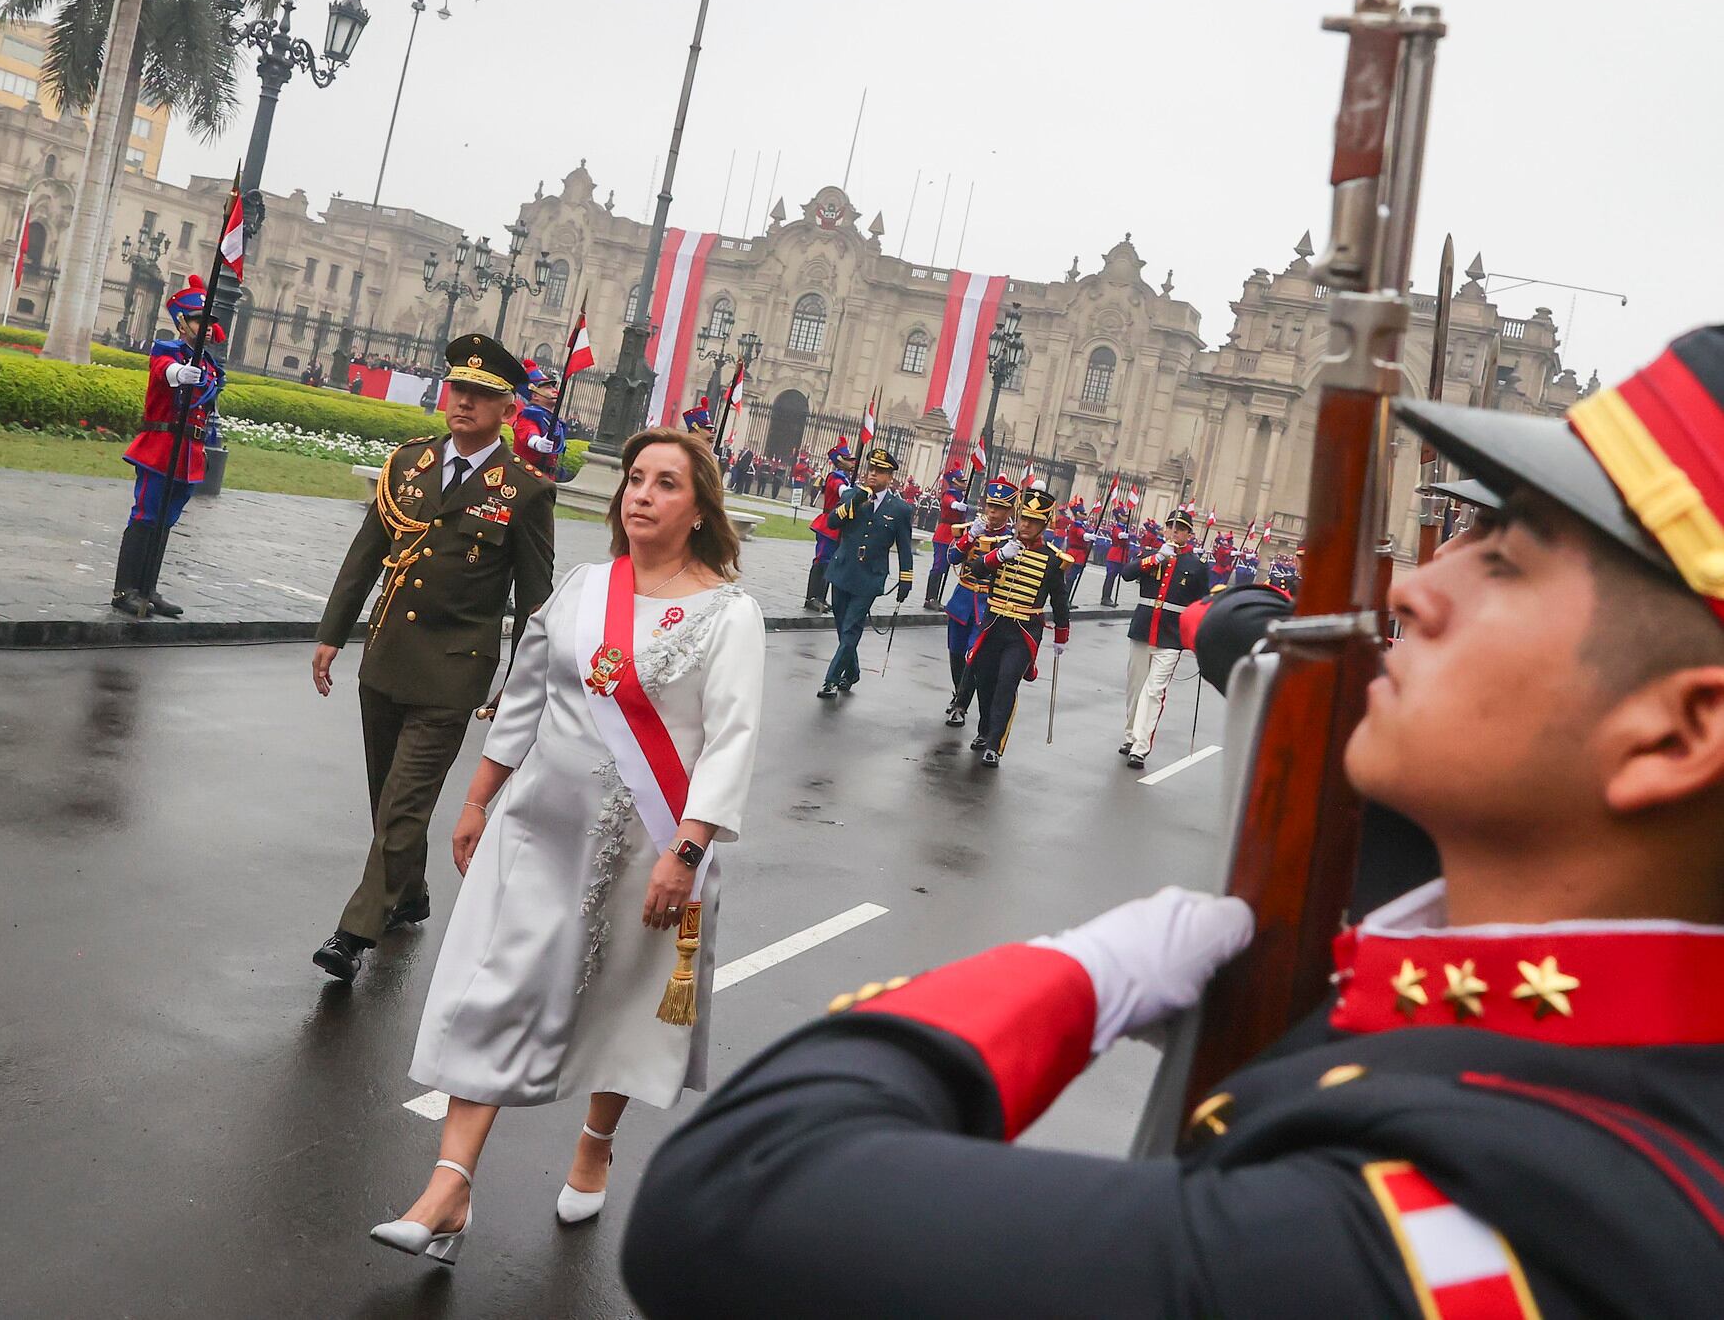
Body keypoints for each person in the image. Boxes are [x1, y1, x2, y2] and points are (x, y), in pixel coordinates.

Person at [624, 323, 1724, 1320]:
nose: (1412, 594)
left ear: (1675, 736)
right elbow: (1263, 640)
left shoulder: (1491, 1237)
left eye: (1506, 561)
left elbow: (734, 1192)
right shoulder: (1498, 932)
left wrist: (1076, 979)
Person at [370, 427, 764, 1266]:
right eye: (634, 478)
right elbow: (523, 697)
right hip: (537, 832)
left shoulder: (731, 615)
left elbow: (731, 739)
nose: (641, 494)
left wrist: (687, 850)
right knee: (492, 990)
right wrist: (478, 797)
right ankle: (449, 1185)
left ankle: (594, 1141)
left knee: (624, 1003)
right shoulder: (587, 589)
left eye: (664, 483)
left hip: (649, 850)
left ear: (699, 511)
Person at [307, 333, 559, 982]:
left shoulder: (523, 492)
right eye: (459, 390)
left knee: (404, 800)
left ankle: (353, 929)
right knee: (384, 794)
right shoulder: (408, 464)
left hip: (453, 670)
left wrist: (516, 683)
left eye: (482, 394)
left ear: (508, 408)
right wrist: (333, 632)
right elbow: (366, 553)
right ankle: (409, 891)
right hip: (386, 656)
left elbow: (536, 604)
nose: (465, 402)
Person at [111, 275, 226, 619]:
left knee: (166, 522)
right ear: (181, 322)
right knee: (145, 516)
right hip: (161, 447)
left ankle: (147, 590)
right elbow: (164, 371)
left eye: (209, 323)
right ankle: (124, 591)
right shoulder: (168, 351)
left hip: (189, 454)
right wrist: (180, 373)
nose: (205, 328)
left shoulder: (208, 364)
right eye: (198, 320)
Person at [960, 485, 1071, 766]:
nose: (1024, 525)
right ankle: (984, 731)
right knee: (984, 680)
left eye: (1032, 522)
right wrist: (1001, 555)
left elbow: (1059, 599)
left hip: (1023, 631)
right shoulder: (1002, 547)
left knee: (1006, 684)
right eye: (1023, 519)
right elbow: (975, 569)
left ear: (1042, 525)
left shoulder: (1052, 559)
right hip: (994, 623)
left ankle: (995, 744)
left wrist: (1061, 634)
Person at [816, 446, 915, 699]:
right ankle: (853, 671)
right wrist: (856, 501)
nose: (873, 475)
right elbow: (832, 523)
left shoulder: (900, 509)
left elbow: (904, 547)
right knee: (841, 624)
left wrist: (906, 579)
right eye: (871, 469)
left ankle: (831, 679)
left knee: (851, 627)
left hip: (870, 576)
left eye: (880, 471)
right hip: (842, 569)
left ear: (890, 476)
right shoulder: (852, 494)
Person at [1121, 506, 1211, 769]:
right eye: (1172, 526)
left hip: (1171, 637)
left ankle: (1140, 747)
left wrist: (1198, 637)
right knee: (1135, 688)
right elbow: (1127, 574)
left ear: (1189, 534)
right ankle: (1130, 736)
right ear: (1164, 529)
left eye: (1181, 529)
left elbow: (1201, 604)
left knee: (1154, 691)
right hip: (1142, 630)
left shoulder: (1196, 565)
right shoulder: (1151, 555)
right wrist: (1156, 559)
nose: (1175, 532)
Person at [941, 477, 1017, 728]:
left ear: (1009, 511)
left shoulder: (1012, 540)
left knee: (973, 656)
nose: (992, 513)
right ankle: (958, 693)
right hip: (963, 598)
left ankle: (961, 705)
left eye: (999, 508)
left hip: (988, 604)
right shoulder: (971, 528)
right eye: (990, 506)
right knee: (955, 652)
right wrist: (969, 537)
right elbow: (951, 557)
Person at [803, 439, 854, 613]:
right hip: (828, 524)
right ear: (840, 460)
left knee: (831, 562)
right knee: (822, 560)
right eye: (849, 459)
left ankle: (822, 598)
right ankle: (812, 598)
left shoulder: (846, 478)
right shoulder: (835, 477)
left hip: (838, 525)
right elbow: (844, 493)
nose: (853, 462)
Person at [922, 463, 973, 611]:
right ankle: (930, 598)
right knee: (939, 566)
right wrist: (957, 505)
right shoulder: (949, 494)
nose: (965, 483)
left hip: (955, 535)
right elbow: (949, 503)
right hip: (944, 534)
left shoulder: (960, 495)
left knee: (945, 567)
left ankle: (936, 598)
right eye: (962, 481)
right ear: (954, 481)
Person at [512, 359, 565, 479]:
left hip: (546, 478)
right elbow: (528, 432)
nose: (554, 391)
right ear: (535, 395)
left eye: (553, 387)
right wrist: (536, 442)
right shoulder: (528, 415)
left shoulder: (550, 418)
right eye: (548, 388)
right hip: (527, 477)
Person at [1099, 505, 1133, 606]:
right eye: (1125, 516)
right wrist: (1123, 535)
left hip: (1122, 556)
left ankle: (1108, 597)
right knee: (1110, 578)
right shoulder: (1117, 527)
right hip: (1115, 555)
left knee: (1117, 577)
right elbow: (1117, 534)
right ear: (1120, 516)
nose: (1127, 518)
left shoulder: (1124, 527)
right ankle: (1105, 597)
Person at [1061, 505, 1091, 601]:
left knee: (1072, 578)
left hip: (1080, 554)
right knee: (1070, 578)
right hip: (1075, 554)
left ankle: (1067, 599)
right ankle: (1065, 600)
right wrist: (1088, 536)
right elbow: (1081, 534)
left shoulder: (1081, 524)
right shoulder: (1076, 525)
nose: (1085, 515)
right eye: (1083, 513)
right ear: (1078, 514)